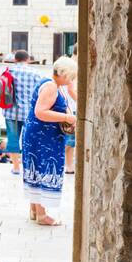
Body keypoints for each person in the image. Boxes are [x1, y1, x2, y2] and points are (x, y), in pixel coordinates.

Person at [21, 56, 78, 225]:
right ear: (64, 73)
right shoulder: (51, 87)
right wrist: (69, 117)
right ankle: (41, 215)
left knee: (36, 168)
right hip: (43, 136)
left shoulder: (49, 83)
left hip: (37, 134)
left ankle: (34, 210)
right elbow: (41, 112)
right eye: (72, 76)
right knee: (43, 168)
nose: (72, 79)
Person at [4, 49, 44, 177]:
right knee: (30, 140)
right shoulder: (36, 73)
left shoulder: (8, 72)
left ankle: (16, 168)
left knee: (13, 139)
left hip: (11, 111)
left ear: (15, 59)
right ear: (28, 59)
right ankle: (29, 168)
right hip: (30, 113)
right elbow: (41, 92)